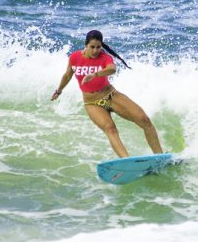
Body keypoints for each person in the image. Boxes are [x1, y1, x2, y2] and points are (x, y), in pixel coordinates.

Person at [51, 30, 163, 158]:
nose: (95, 50)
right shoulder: (74, 57)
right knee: (110, 129)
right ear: (86, 45)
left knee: (145, 120)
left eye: (98, 47)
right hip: (92, 103)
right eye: (92, 47)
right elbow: (67, 75)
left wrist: (95, 74)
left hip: (111, 96)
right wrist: (58, 91)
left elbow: (112, 69)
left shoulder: (104, 57)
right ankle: (127, 161)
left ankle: (160, 157)